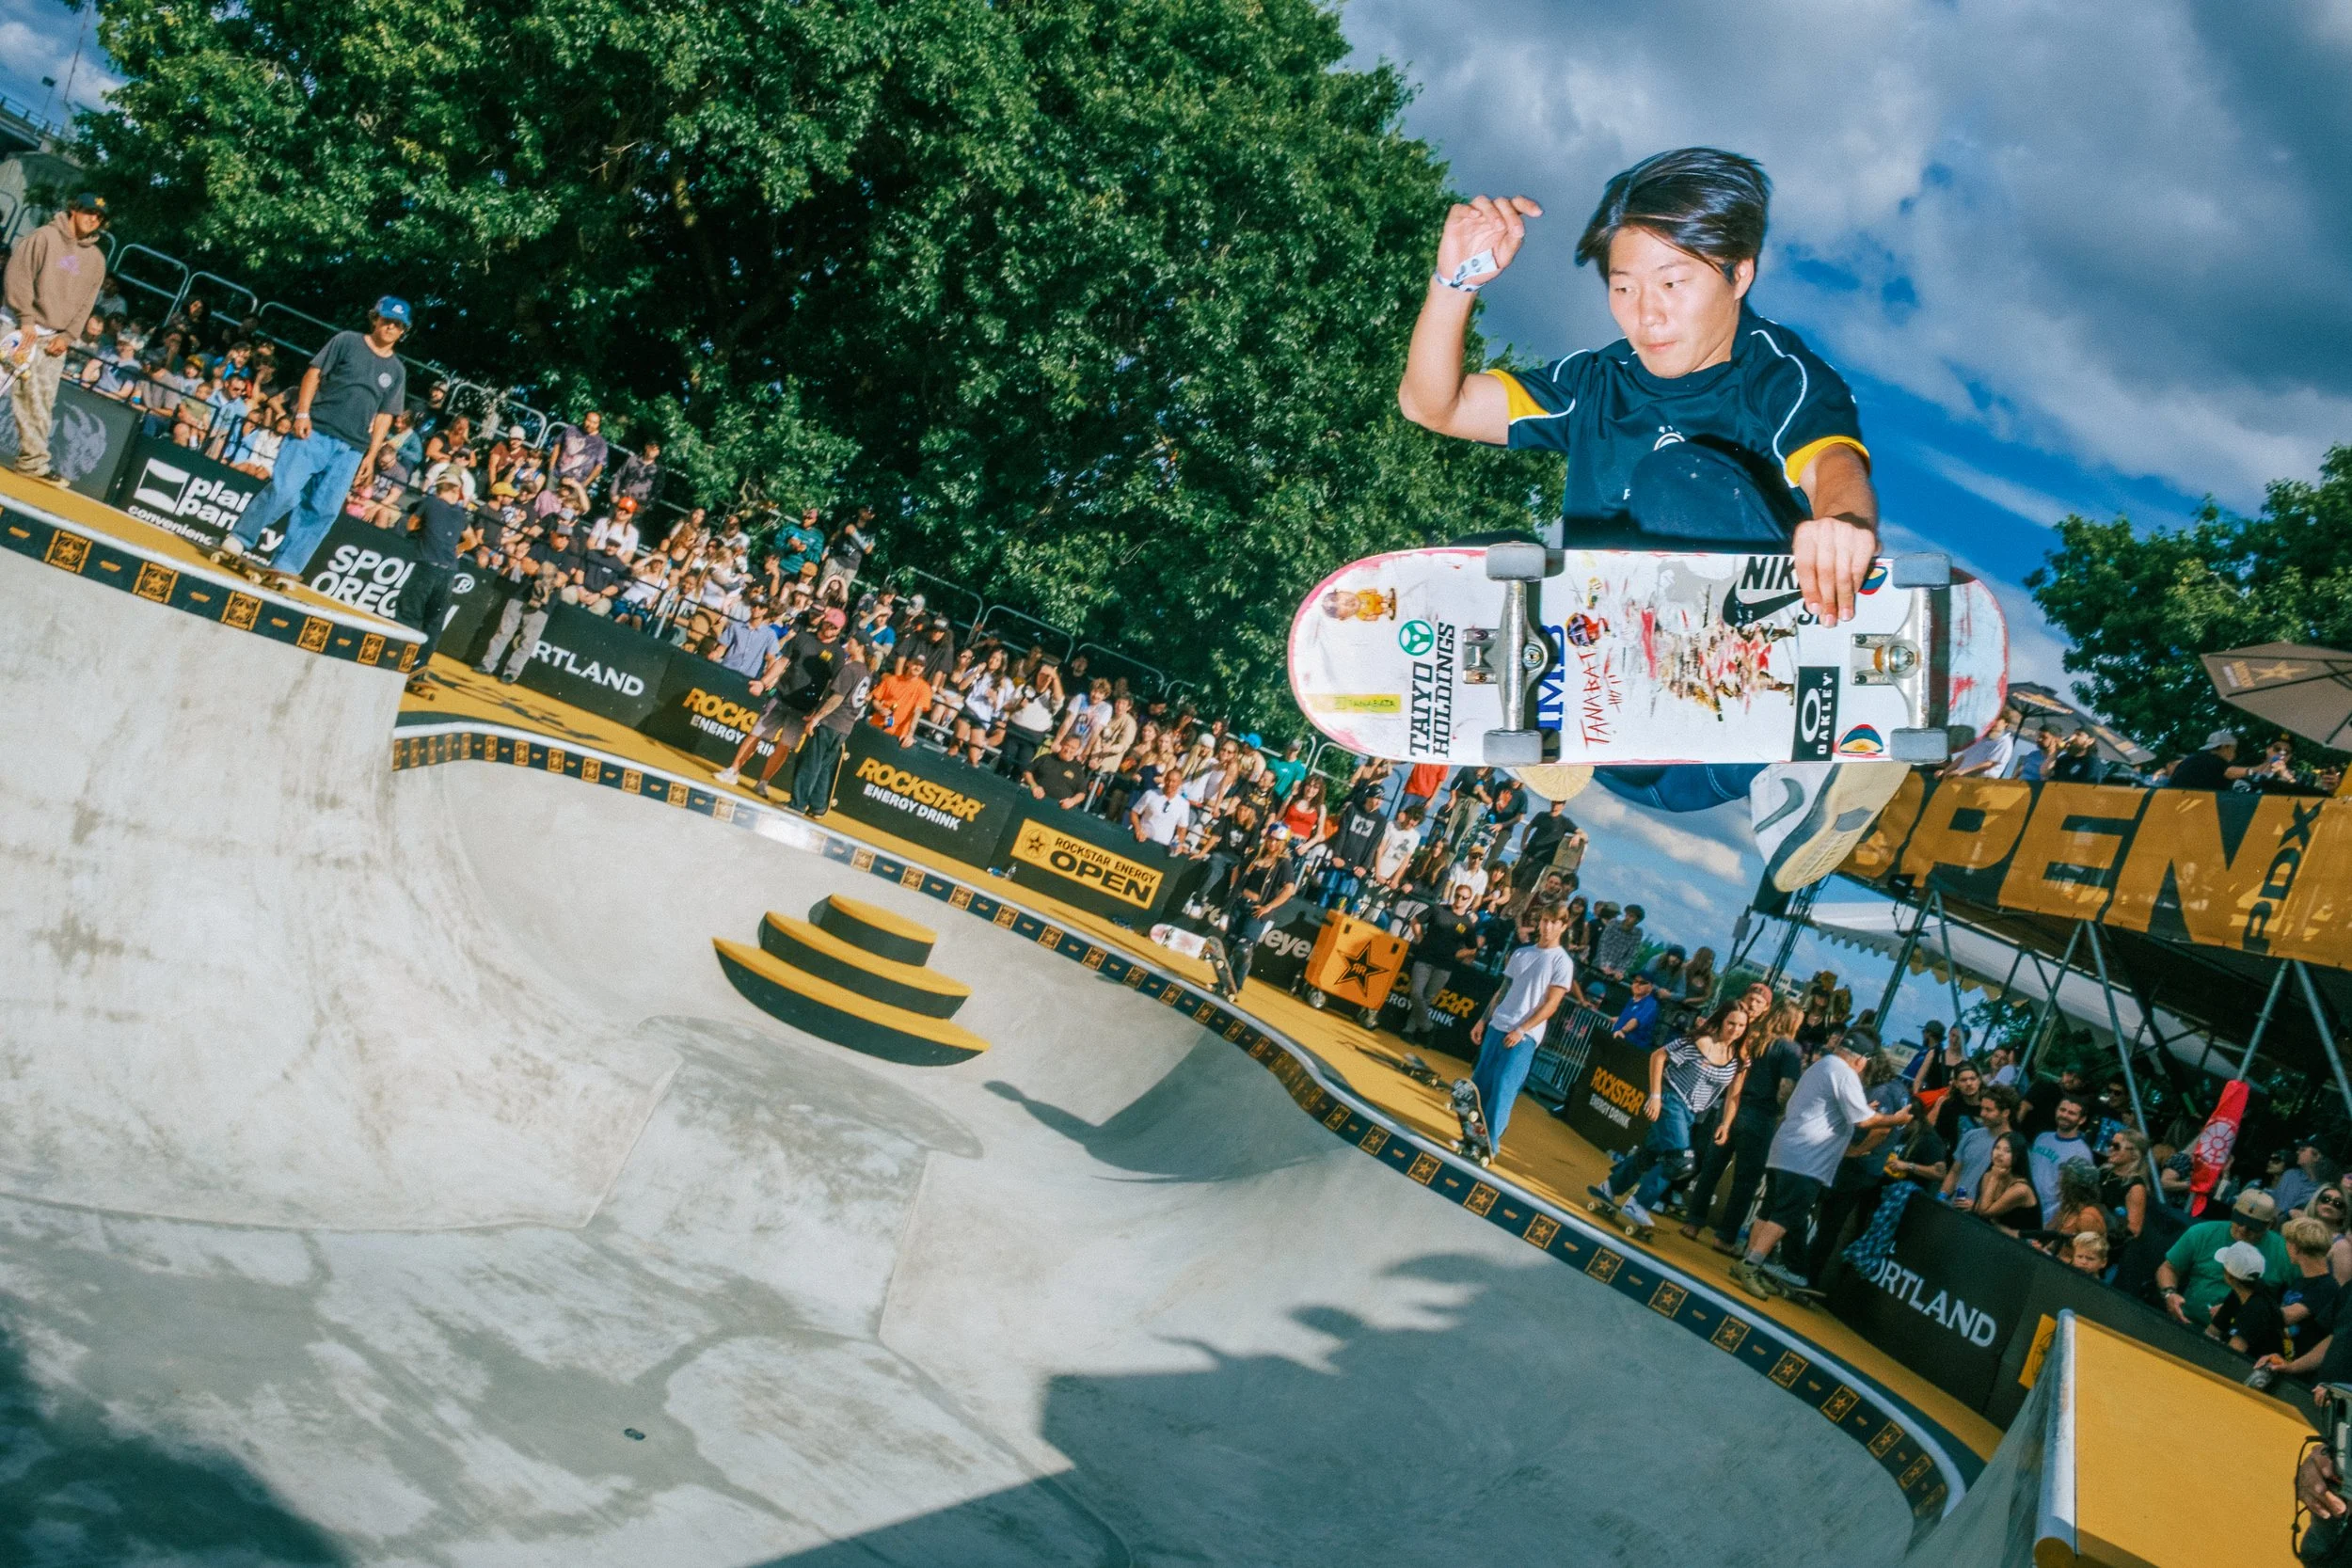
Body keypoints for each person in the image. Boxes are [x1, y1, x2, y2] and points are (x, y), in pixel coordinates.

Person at [1394, 149, 1909, 892]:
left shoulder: (1780, 376)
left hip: (1739, 728)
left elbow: (1833, 467)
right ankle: (1551, 700)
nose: (1648, 313)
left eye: (1674, 283)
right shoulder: (1597, 382)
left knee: (1676, 479)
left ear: (1739, 274)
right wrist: (1454, 283)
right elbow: (1430, 404)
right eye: (1625, 287)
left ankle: (1805, 763)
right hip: (1622, 748)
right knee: (1494, 559)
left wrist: (1843, 525)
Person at [220, 297, 411, 578]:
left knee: (324, 509)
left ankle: (286, 565)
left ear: (403, 331)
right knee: (285, 489)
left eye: (398, 325)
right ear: (375, 319)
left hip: (352, 448)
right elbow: (313, 374)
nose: (390, 327)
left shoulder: (396, 370)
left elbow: (385, 416)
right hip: (316, 429)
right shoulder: (347, 341)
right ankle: (240, 537)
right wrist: (301, 414)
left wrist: (371, 455)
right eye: (386, 320)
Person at [1729, 1026, 1906, 1300]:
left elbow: (1842, 1111)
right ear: (1860, 1059)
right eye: (1865, 1063)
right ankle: (1750, 1265)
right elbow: (1865, 1122)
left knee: (1770, 1209)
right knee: (1785, 1215)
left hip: (1787, 1149)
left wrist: (1865, 1113)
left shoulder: (1823, 1066)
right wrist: (1898, 1119)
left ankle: (1754, 1264)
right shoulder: (1844, 1073)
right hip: (1806, 1159)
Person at [1590, 1002, 1748, 1233]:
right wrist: (1655, 1095)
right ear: (1721, 1021)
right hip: (1672, 1100)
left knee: (1650, 1155)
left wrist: (1726, 1123)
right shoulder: (1701, 1042)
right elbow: (1658, 1056)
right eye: (1731, 1023)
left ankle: (1610, 1188)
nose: (1735, 1029)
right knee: (1680, 1160)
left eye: (1741, 1025)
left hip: (1692, 1113)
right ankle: (1638, 1204)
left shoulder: (1739, 1058)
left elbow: (1734, 1094)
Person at [2, 192, 107, 484]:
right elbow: (17, 275)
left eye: (98, 216)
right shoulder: (44, 236)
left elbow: (87, 302)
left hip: (53, 338)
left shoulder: (97, 259)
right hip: (16, 326)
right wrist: (25, 320)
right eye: (88, 211)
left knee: (40, 401)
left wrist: (70, 335)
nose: (93, 219)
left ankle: (33, 462)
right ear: (73, 210)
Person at [1681, 1001, 1804, 1250]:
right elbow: (1785, 1089)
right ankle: (1724, 1238)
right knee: (1745, 1182)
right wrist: (1781, 1112)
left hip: (1732, 1107)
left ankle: (1692, 1223)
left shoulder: (1753, 1038)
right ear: (1793, 1023)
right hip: (1761, 1116)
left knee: (1711, 1170)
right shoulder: (1790, 1049)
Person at [1466, 903, 1577, 1158]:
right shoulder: (1521, 953)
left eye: (1554, 922)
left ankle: (1490, 1145)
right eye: (1545, 920)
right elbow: (1503, 990)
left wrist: (1522, 1029)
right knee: (1480, 1084)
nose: (1548, 926)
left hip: (1524, 1036)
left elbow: (1551, 1005)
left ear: (1563, 926)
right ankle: (1473, 1137)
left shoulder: (1562, 962)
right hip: (1497, 1025)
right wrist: (1483, 1020)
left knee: (1504, 1087)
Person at [713, 608, 846, 797]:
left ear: (839, 630)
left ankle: (763, 783)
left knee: (784, 746)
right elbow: (782, 662)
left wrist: (818, 713)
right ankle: (733, 770)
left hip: (805, 708)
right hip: (781, 695)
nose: (829, 628)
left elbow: (832, 685)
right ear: (822, 621)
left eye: (834, 627)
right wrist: (763, 682)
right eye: (828, 623)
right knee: (755, 733)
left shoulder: (838, 654)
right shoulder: (802, 638)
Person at [391, 474, 481, 695]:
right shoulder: (460, 514)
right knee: (433, 622)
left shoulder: (429, 502)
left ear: (439, 487)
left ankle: (398, 663)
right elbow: (473, 541)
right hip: (448, 572)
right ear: (457, 491)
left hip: (426, 567)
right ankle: (418, 669)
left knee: (408, 614)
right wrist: (456, 550)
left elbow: (412, 525)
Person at [2157, 1190, 2290, 1333]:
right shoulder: (2202, 1232)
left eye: (2253, 1225)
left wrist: (2246, 1310)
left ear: (2269, 1225)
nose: (2243, 1229)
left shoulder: (2284, 1251)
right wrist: (2170, 1294)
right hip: (2189, 1322)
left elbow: (2306, 1291)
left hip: (2242, 1336)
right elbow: (2168, 1268)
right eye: (2240, 1219)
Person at [787, 632, 874, 816]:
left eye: (852, 641)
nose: (848, 643)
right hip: (845, 726)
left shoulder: (850, 669)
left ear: (860, 648)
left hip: (831, 722)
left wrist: (817, 718)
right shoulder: (866, 672)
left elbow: (837, 698)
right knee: (824, 766)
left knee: (810, 762)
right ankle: (818, 805)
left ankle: (798, 804)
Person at [1402, 881, 1482, 1042]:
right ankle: (1428, 1027)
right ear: (1454, 894)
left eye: (1464, 898)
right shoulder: (1438, 909)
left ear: (1469, 900)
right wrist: (1419, 938)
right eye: (1457, 895)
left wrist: (1457, 954)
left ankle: (1409, 1030)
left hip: (1445, 966)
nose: (1460, 900)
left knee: (1427, 998)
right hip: (1425, 958)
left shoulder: (1467, 924)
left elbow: (1473, 949)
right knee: (1416, 993)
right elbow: (1415, 921)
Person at [1224, 827, 1300, 990]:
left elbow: (1289, 889)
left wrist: (1269, 907)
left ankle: (1236, 985)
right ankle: (1224, 982)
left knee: (1243, 949)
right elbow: (1237, 869)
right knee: (1229, 944)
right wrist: (1233, 889)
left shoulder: (1283, 863)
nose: (1272, 843)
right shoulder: (1256, 855)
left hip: (1258, 910)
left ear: (1283, 844)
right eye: (1270, 839)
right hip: (1241, 903)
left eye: (1277, 841)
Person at [2202, 1241, 2282, 1358]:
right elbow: (2211, 1332)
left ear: (2229, 1276)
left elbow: (2232, 1356)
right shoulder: (2238, 1293)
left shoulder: (2256, 1308)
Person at [2027, 1093, 2097, 1225]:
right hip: (2023, 1205)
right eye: (2062, 1110)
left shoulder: (2082, 1153)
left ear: (2081, 1120)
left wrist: (2053, 1226)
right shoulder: (2042, 1137)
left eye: (2071, 1113)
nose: (2065, 1115)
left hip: (2046, 1218)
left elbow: (2074, 1200)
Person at [1969, 1132, 2042, 1234]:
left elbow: (1984, 1212)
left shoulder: (2021, 1189)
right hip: (1996, 1234)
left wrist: (1995, 1178)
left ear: (2018, 1156)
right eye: (1997, 1148)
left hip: (2022, 1244)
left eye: (2007, 1151)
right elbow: (1979, 1211)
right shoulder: (1989, 1175)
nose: (1999, 1153)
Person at [2164, 729, 2256, 792]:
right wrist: (2255, 771)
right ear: (2225, 747)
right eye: (2233, 750)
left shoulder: (2192, 759)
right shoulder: (2214, 760)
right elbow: (2230, 772)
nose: (2234, 755)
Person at [1021, 733, 1092, 810]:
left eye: (1073, 748)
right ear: (1062, 744)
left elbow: (1082, 793)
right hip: (1034, 801)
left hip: (1058, 810)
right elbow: (1027, 772)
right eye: (1067, 745)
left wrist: (1072, 801)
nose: (1068, 750)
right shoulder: (1046, 758)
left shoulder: (1078, 770)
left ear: (1077, 751)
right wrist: (1034, 786)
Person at [1129, 769, 1192, 849]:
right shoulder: (1150, 794)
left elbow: (1182, 828)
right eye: (1168, 780)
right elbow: (1134, 813)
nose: (1170, 783)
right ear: (1165, 779)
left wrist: (1179, 844)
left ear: (1180, 783)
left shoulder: (1184, 804)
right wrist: (1138, 829)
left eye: (1174, 781)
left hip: (1161, 848)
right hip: (1141, 841)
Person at [1611, 972, 1661, 1051]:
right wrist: (1619, 1019)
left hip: (1633, 1047)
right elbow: (1629, 1016)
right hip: (1618, 1041)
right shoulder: (1632, 999)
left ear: (1650, 987)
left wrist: (1622, 1031)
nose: (1637, 985)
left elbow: (1636, 1021)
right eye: (1635, 981)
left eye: (1642, 983)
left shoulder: (1651, 1003)